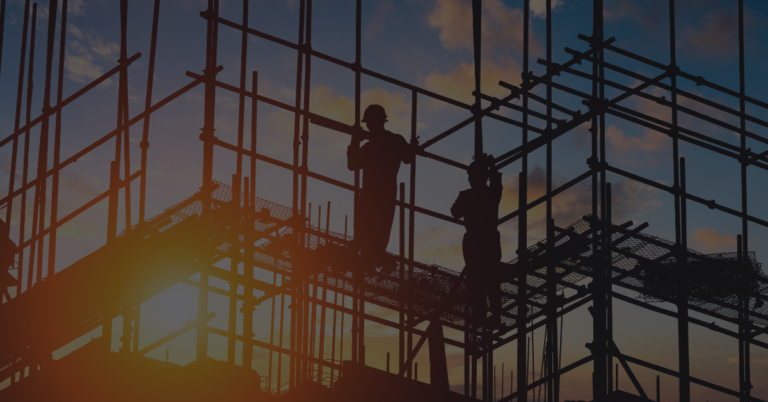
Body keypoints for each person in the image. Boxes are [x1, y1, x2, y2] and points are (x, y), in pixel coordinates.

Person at [347, 105, 414, 271]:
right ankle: (371, 258)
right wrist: (411, 147)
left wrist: (354, 140)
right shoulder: (394, 141)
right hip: (383, 194)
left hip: (374, 195)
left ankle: (369, 259)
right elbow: (408, 158)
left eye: (370, 123)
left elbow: (352, 164)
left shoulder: (373, 146)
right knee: (377, 229)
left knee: (372, 229)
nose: (369, 127)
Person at [450, 154, 503, 328]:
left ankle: (482, 314)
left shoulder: (467, 196)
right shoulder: (491, 194)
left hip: (476, 240)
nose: (470, 179)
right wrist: (492, 167)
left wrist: (491, 169)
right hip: (487, 239)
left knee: (478, 279)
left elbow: (455, 212)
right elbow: (496, 182)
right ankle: (491, 315)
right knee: (489, 279)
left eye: (472, 176)